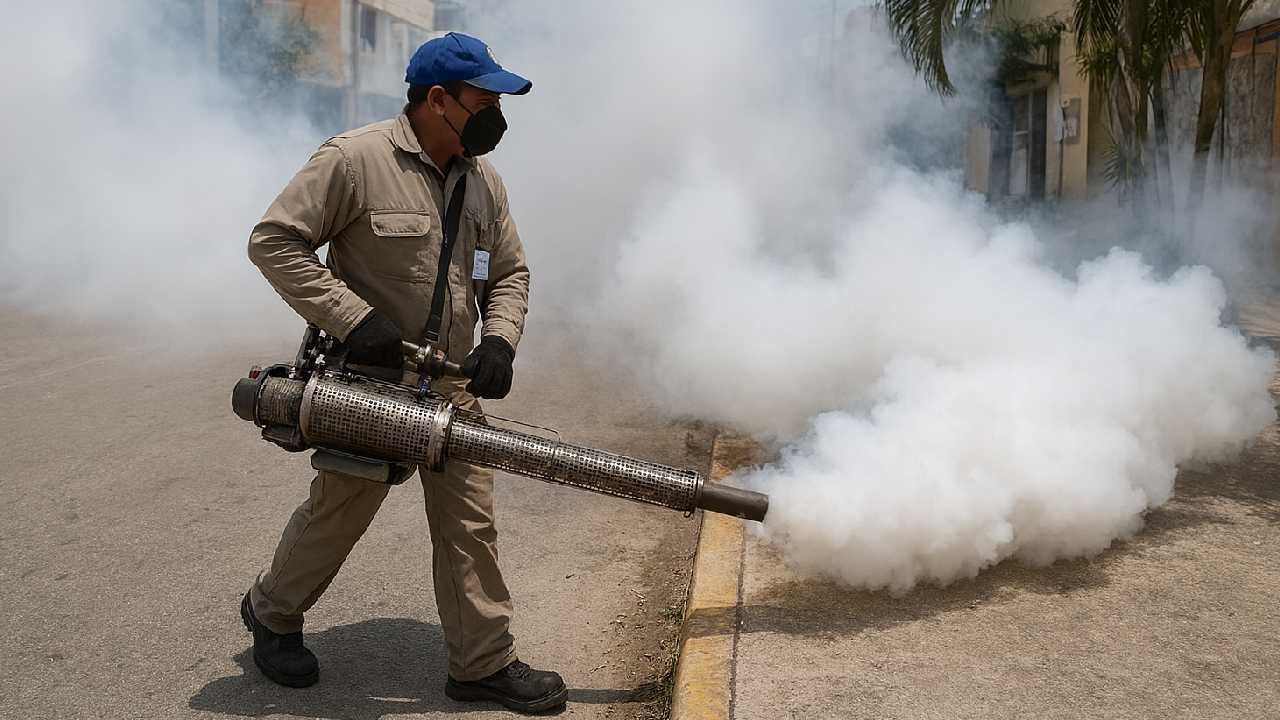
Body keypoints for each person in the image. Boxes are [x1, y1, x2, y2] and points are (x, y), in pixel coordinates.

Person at [239, 32, 566, 714]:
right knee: (340, 514)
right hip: (367, 385)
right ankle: (271, 615)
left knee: (469, 526)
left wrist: (499, 340)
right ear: (438, 100)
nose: (495, 116)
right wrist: (354, 318)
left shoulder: (483, 181)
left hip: (449, 390)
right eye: (484, 101)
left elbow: (507, 271)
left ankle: (481, 663)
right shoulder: (355, 160)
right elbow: (274, 241)